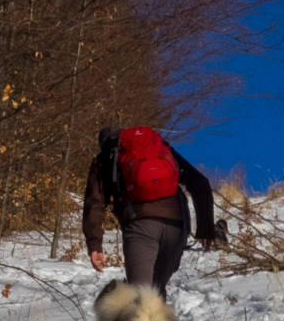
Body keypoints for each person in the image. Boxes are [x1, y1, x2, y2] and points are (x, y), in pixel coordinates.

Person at [82, 125, 221, 300]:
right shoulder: (159, 149)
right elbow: (200, 181)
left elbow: (95, 204)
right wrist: (206, 229)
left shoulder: (105, 159)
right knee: (155, 293)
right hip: (177, 227)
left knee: (140, 299)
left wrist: (94, 245)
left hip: (141, 227)